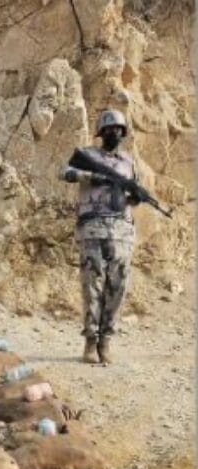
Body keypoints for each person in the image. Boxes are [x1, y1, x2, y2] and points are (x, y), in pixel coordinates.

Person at [59, 109, 142, 364]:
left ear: (123, 133)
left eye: (117, 129)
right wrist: (92, 176)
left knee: (117, 288)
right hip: (93, 228)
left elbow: (132, 197)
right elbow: (64, 172)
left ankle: (106, 340)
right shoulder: (88, 156)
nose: (113, 133)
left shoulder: (129, 163)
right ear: (100, 132)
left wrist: (136, 197)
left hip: (121, 233)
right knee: (92, 286)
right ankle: (90, 342)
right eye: (108, 129)